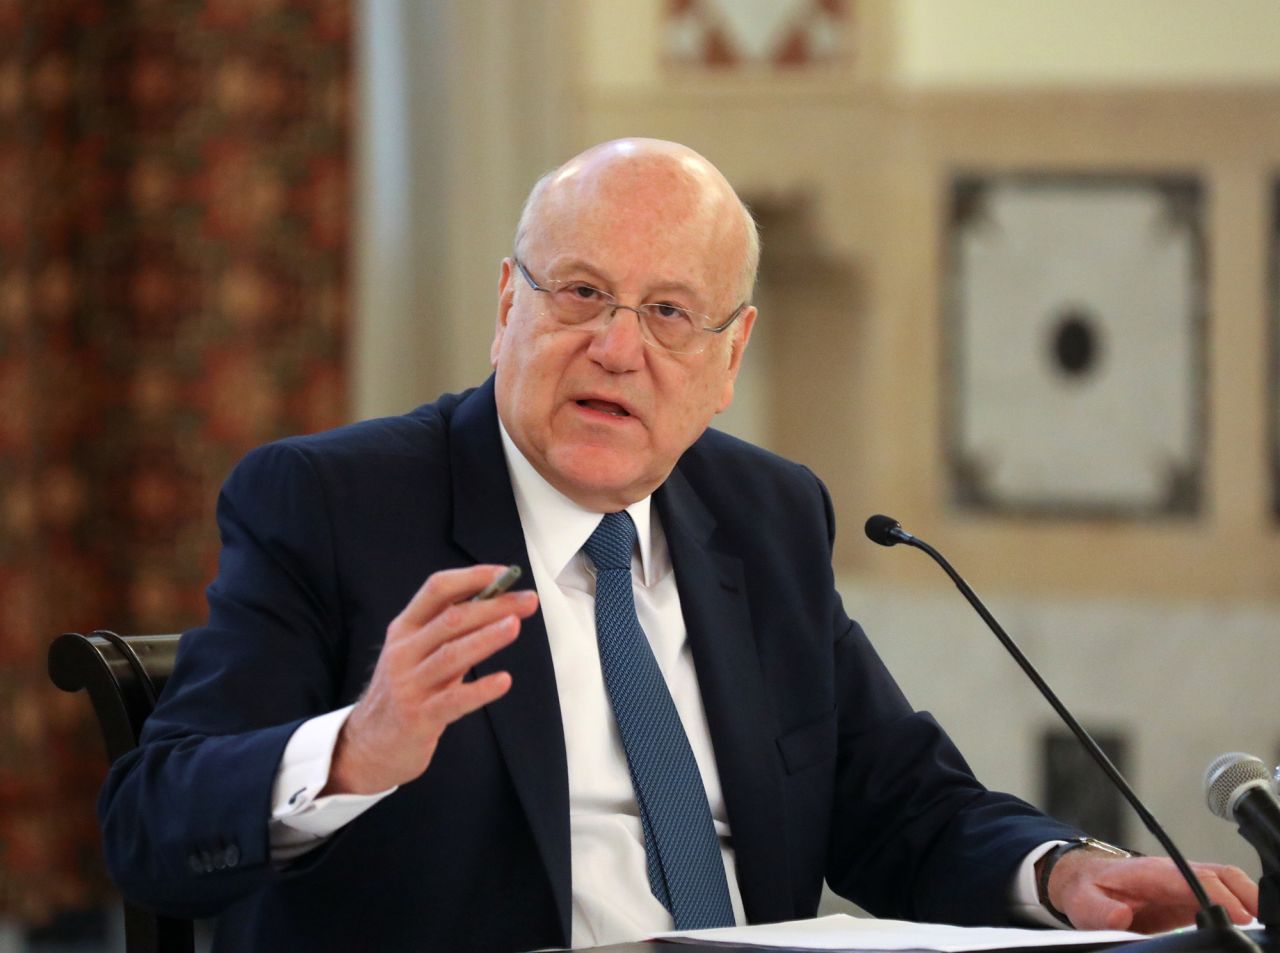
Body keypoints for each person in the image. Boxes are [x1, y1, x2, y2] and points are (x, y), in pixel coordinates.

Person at [98, 139, 1257, 952]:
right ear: (506, 303)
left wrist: (1059, 873)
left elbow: (893, 800)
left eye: (666, 313)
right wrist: (354, 748)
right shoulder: (333, 504)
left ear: (728, 354)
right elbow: (152, 823)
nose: (614, 348)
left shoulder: (765, 513)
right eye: (580, 293)